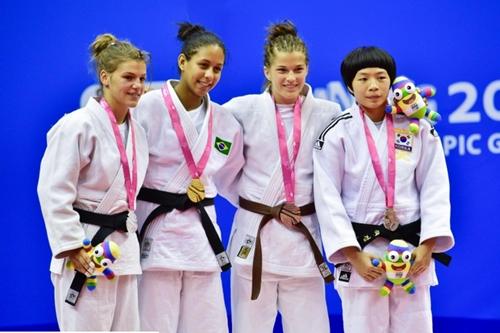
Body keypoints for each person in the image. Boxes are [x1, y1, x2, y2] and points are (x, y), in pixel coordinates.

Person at [313, 46, 455, 333]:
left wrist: (428, 245)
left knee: (415, 325)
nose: (374, 86)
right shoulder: (337, 132)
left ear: (392, 81)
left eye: (380, 77)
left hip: (411, 248)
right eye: (363, 78)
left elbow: (435, 186)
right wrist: (353, 256)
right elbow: (327, 197)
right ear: (350, 86)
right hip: (362, 249)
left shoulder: (418, 127)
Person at [220, 20, 341, 333]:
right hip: (255, 236)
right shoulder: (240, 109)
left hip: (303, 237)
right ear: (266, 71)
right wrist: (257, 204)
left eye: (298, 70)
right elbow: (219, 169)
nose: (291, 78)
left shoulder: (329, 112)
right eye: (282, 71)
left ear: (308, 69)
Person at [134, 22, 243, 333]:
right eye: (203, 65)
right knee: (153, 324)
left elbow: (232, 178)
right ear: (183, 62)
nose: (209, 75)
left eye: (217, 69)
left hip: (201, 236)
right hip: (157, 230)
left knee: (207, 324)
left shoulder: (224, 121)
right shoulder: (146, 106)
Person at [37, 33, 150, 330]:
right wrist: (73, 245)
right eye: (128, 77)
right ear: (105, 77)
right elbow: (53, 190)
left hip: (122, 252)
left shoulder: (137, 132)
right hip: (85, 249)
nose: (137, 85)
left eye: (142, 78)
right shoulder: (76, 126)